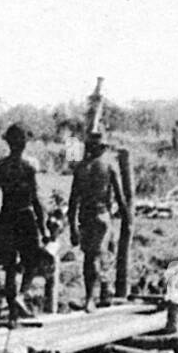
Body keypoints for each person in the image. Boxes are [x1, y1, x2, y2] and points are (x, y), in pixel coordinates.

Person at [0, 123, 46, 323]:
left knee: (10, 268)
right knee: (31, 262)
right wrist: (43, 226)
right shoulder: (29, 167)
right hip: (25, 216)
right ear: (24, 144)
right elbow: (36, 199)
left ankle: (14, 310)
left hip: (7, 217)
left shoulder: (1, 167)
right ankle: (19, 297)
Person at [68, 132, 129, 311]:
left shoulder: (80, 168)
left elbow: (73, 201)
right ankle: (91, 298)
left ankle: (101, 294)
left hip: (85, 216)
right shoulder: (109, 165)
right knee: (98, 256)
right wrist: (126, 217)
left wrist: (72, 226)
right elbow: (120, 196)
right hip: (102, 215)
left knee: (93, 257)